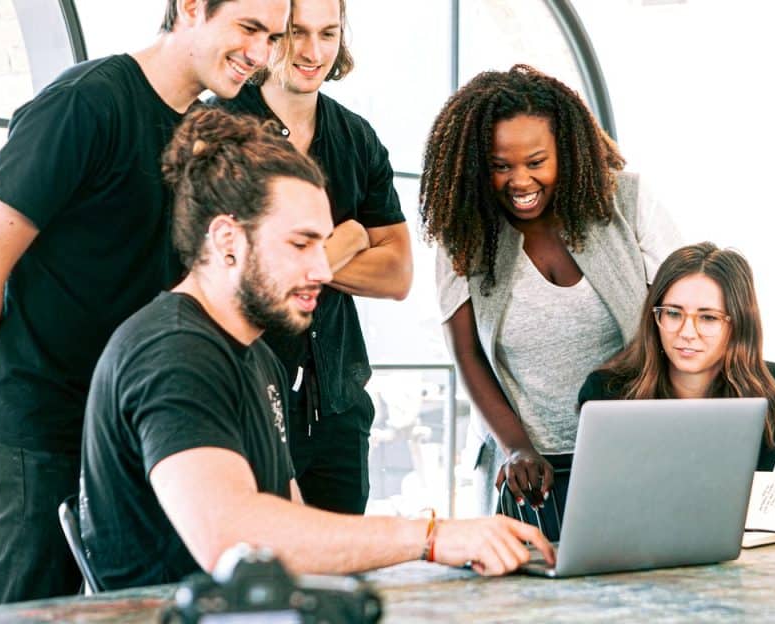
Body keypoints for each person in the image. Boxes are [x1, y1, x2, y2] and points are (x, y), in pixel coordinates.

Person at [79, 108, 552, 590]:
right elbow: (234, 539)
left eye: (322, 245)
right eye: (301, 245)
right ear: (226, 239)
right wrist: (431, 538)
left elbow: (295, 527)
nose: (324, 271)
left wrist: (442, 553)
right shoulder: (173, 352)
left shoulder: (257, 355)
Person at [0, 0, 288, 603]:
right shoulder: (86, 102)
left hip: (137, 432)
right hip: (41, 427)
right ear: (192, 8)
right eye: (249, 28)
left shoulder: (204, 130)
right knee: (27, 610)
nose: (261, 54)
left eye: (273, 37)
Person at [420, 64, 680, 516]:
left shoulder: (629, 202)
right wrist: (516, 447)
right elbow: (467, 354)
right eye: (501, 166)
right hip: (528, 469)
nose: (520, 181)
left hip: (633, 449)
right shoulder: (463, 231)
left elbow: (680, 318)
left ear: (568, 151)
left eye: (536, 162)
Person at [211, 0, 412, 514]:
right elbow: (230, 269)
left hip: (338, 410)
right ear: (269, 34)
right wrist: (347, 240)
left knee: (340, 581)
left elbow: (397, 274)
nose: (312, 51)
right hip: (243, 402)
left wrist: (295, 258)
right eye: (295, 32)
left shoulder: (358, 138)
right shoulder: (215, 127)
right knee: (256, 581)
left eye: (329, 33)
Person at [579, 242, 775, 536]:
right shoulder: (609, 392)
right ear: (655, 318)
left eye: (707, 318)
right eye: (673, 313)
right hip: (631, 564)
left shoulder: (773, 390)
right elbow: (594, 508)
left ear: (737, 324)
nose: (686, 332)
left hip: (735, 571)